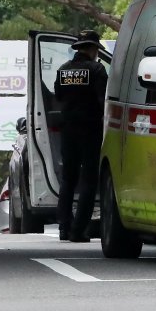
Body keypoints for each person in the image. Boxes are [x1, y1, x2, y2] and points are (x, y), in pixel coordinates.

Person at [53, 30, 108, 242]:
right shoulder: (97, 69)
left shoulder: (63, 70)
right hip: (90, 129)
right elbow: (104, 100)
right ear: (93, 49)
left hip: (68, 130)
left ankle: (64, 228)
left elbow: (58, 96)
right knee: (88, 180)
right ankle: (78, 230)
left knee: (68, 179)